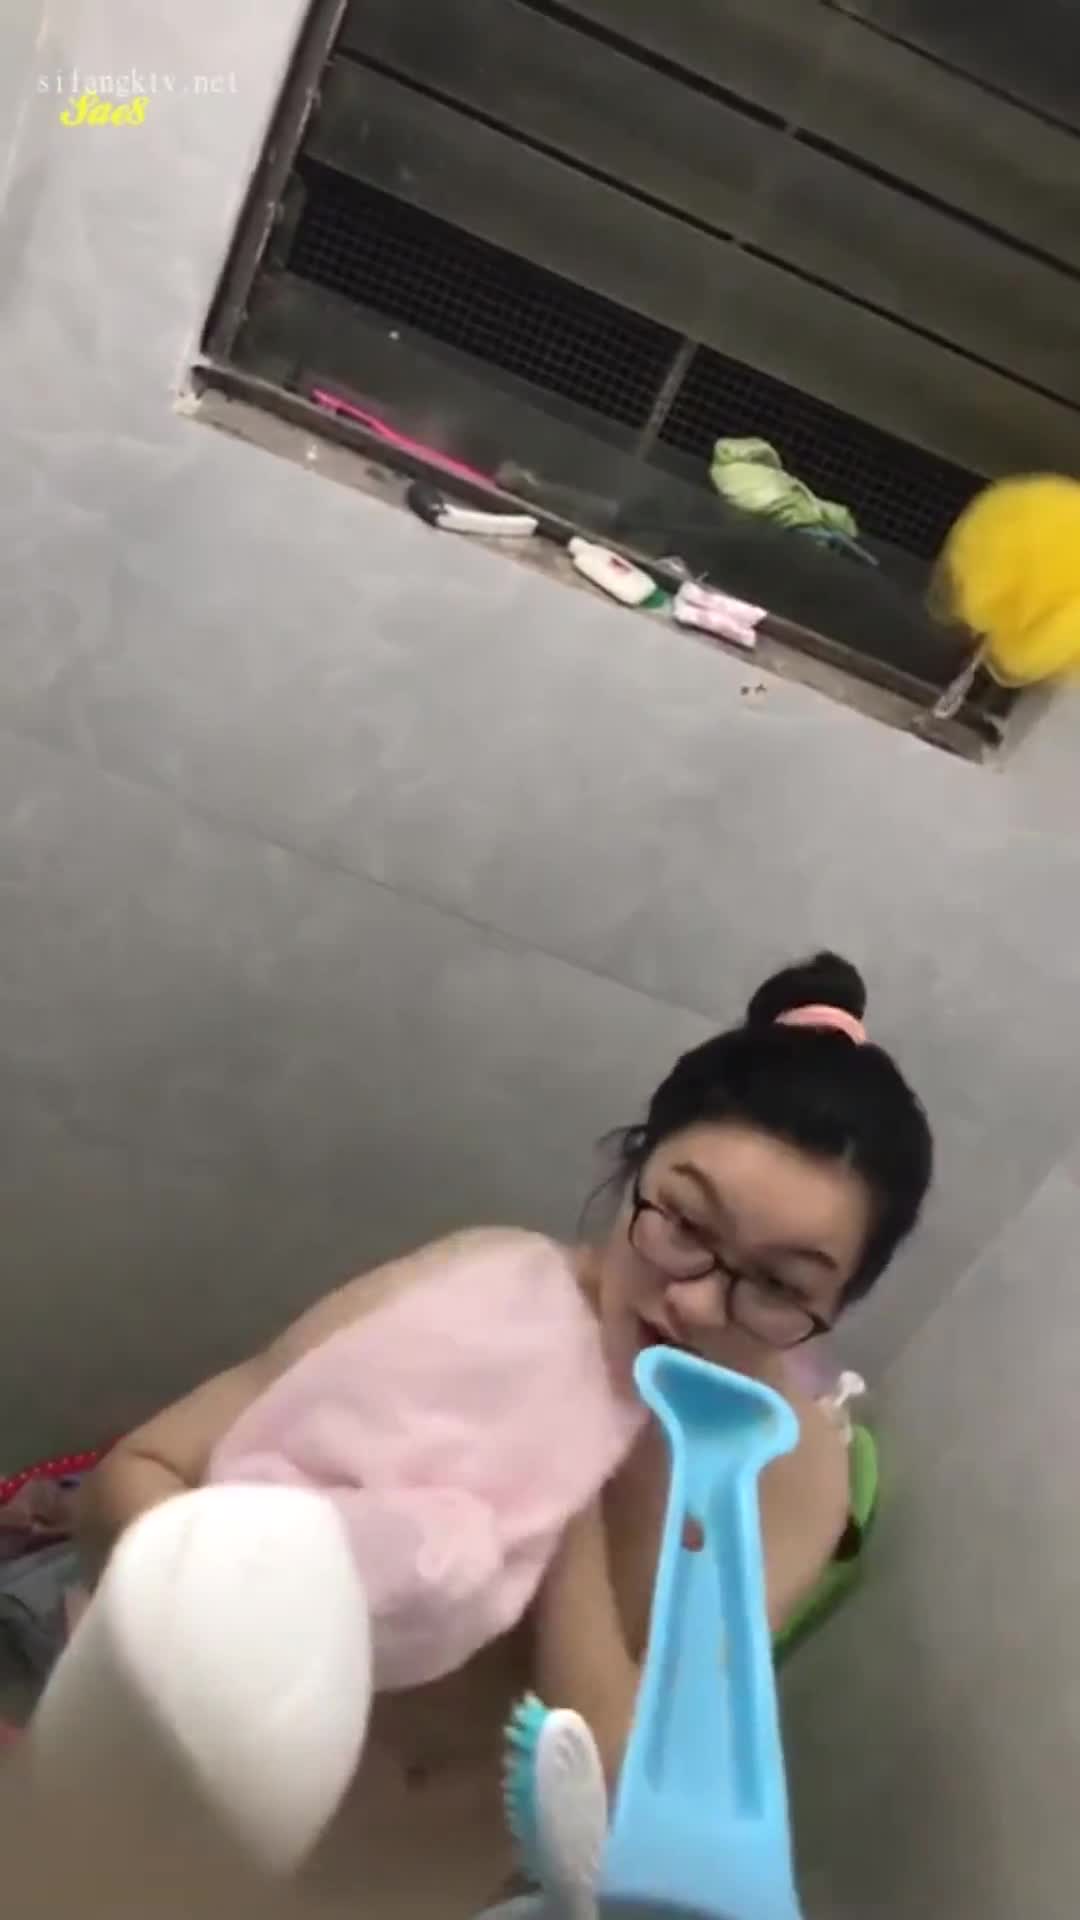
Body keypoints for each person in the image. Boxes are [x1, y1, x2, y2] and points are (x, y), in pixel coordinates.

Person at [75, 951, 932, 1911]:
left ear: (837, 1306)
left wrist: (561, 1495)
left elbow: (627, 1799)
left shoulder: (781, 1475)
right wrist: (220, 1626)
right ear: (634, 1168)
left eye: (777, 1285)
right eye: (686, 1225)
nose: (695, 1303)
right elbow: (136, 1476)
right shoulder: (477, 1285)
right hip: (170, 1804)